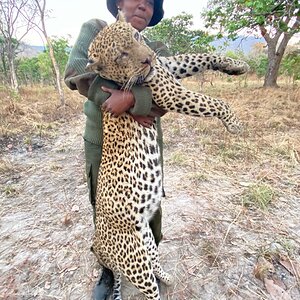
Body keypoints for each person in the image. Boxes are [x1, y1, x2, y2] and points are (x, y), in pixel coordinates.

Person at [64, 0, 169, 299]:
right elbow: (75, 73)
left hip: (145, 142)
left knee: (149, 206)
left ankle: (149, 261)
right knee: (108, 209)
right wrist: (114, 99)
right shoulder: (96, 29)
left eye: (151, 4)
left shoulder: (157, 47)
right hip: (103, 142)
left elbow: (170, 92)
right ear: (120, 3)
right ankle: (109, 270)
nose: (145, 6)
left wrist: (134, 100)